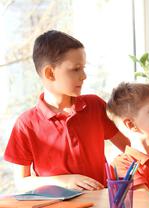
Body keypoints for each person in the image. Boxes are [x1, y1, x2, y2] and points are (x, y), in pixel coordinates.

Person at [4, 30, 129, 191]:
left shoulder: (95, 106)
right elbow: (22, 182)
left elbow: (132, 147)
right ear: (50, 73)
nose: (84, 76)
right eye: (76, 69)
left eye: (83, 68)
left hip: (101, 204)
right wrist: (63, 181)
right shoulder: (26, 124)